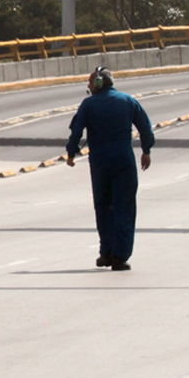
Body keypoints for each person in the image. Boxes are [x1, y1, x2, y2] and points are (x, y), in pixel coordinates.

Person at [65, 66, 154, 271]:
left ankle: (106, 252)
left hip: (100, 162)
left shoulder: (88, 105)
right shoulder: (128, 101)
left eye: (89, 83)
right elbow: (145, 128)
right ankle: (119, 256)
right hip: (124, 160)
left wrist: (71, 153)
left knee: (103, 206)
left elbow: (76, 131)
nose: (88, 87)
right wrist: (146, 150)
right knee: (124, 207)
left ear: (96, 84)